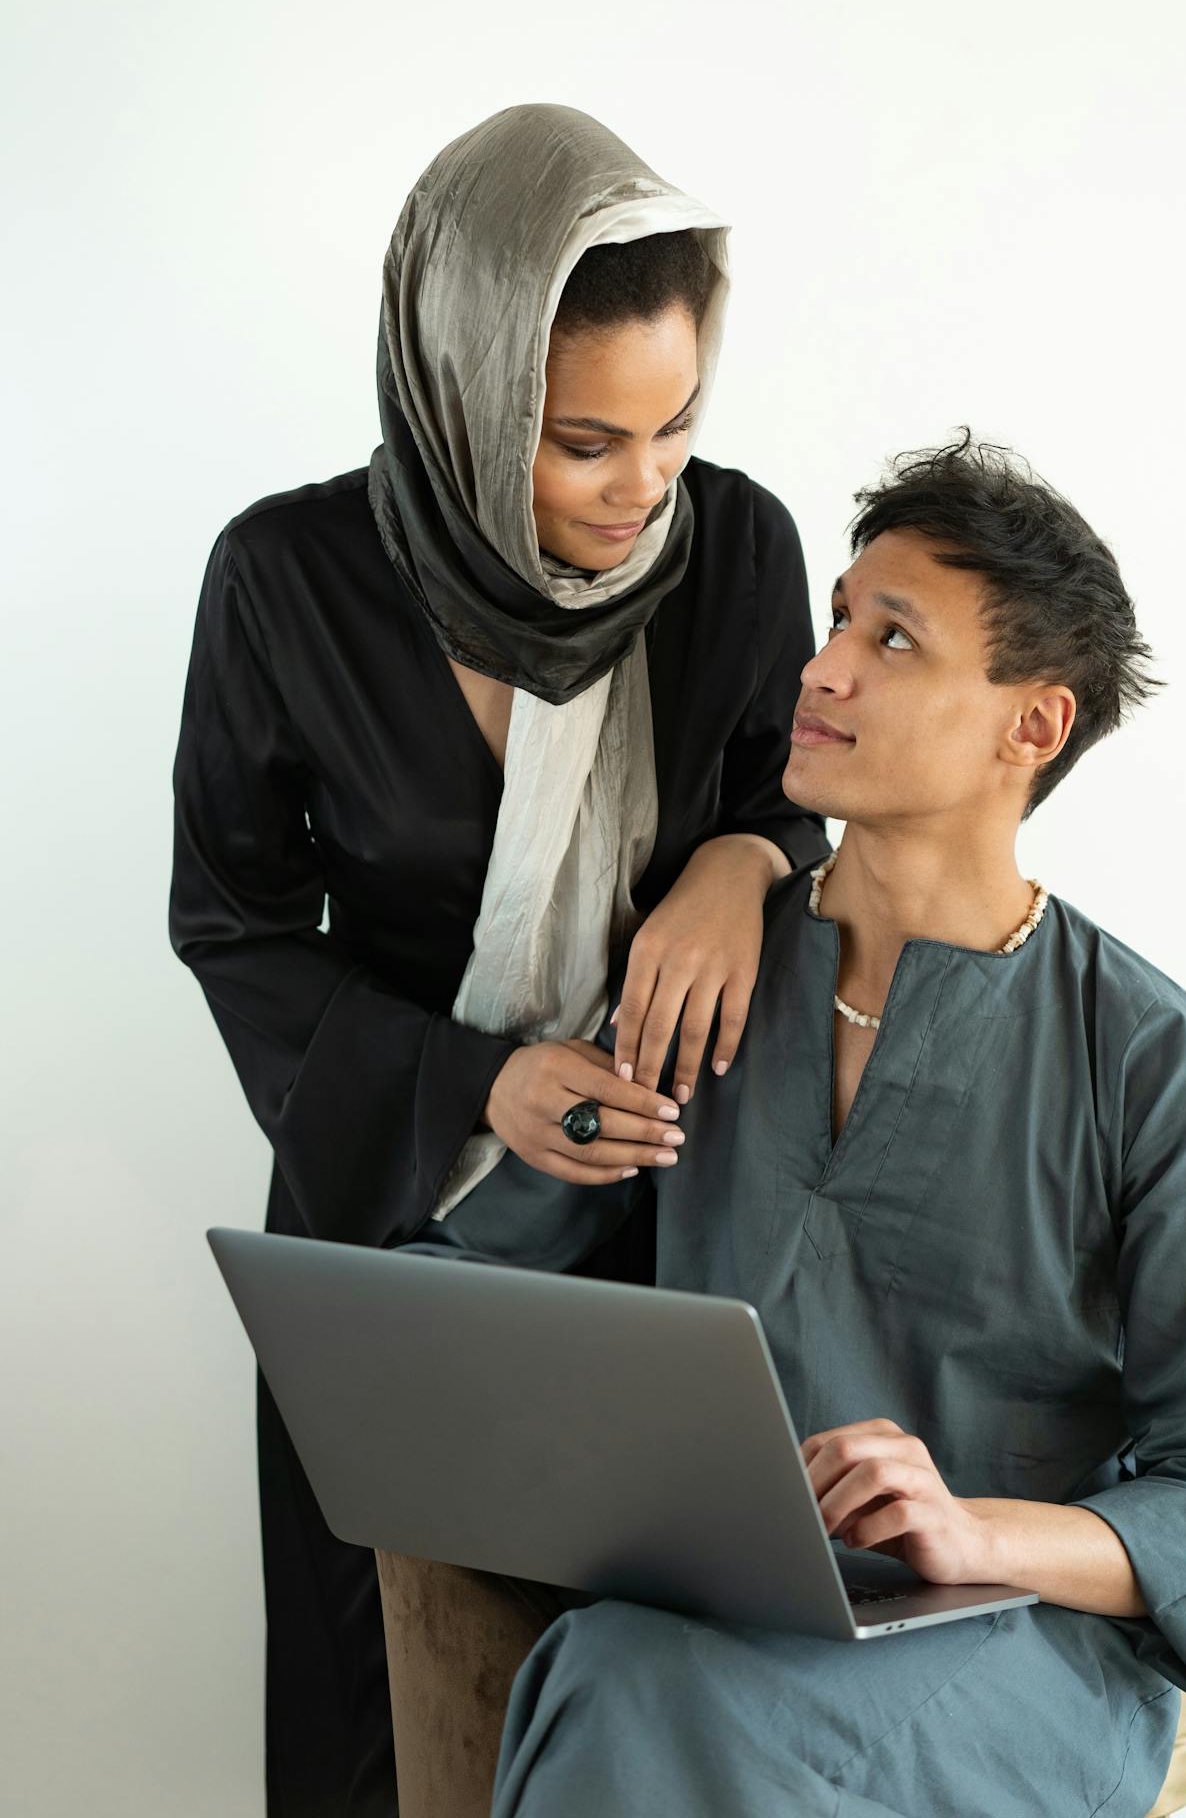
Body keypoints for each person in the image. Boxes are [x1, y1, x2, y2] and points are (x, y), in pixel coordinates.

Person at [407, 435, 1186, 1818]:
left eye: (892, 640)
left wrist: (969, 1531)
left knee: (639, 1687)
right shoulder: (699, 977)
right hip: (709, 1617)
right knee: (628, 1667)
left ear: (1032, 727)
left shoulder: (1149, 1059)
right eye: (836, 621)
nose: (821, 668)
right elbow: (465, 1304)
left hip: (1011, 1645)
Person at [168, 102, 829, 1817]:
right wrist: (483, 1082)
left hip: (661, 1244)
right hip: (392, 1229)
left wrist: (744, 859)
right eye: (583, 442)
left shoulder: (738, 552)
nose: (641, 490)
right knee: (374, 1707)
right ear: (460, 392)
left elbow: (794, 796)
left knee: (636, 1707)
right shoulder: (288, 580)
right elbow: (232, 921)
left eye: (675, 426)